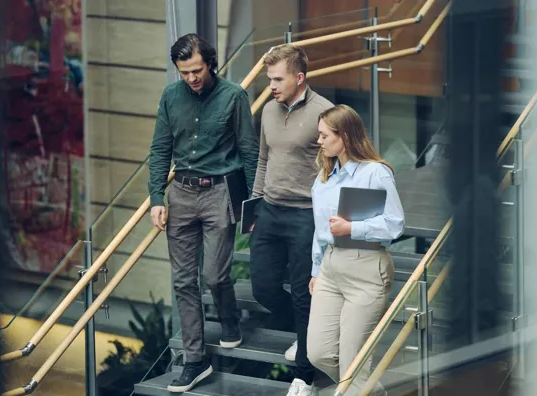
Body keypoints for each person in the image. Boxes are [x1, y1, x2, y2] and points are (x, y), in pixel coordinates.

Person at [148, 33, 259, 393]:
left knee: (213, 274)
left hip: (219, 194)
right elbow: (160, 150)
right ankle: (195, 361)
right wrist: (156, 198)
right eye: (184, 73)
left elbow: (249, 152)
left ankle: (229, 321)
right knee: (183, 281)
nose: (192, 78)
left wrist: (255, 205)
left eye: (196, 70)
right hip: (180, 193)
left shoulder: (234, 97)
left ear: (210, 63)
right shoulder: (169, 97)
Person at [249, 44, 333, 396]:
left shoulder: (326, 112)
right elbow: (263, 160)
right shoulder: (268, 109)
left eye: (278, 79)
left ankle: (305, 374)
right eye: (269, 78)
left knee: (303, 293)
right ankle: (307, 335)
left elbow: (338, 165)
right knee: (263, 288)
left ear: (299, 78)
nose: (271, 85)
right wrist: (254, 205)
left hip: (305, 215)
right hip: (269, 210)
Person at [307, 105, 405, 395]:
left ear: (345, 136)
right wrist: (315, 269)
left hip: (366, 268)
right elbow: (319, 230)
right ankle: (366, 389)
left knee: (355, 366)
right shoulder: (323, 178)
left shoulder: (376, 173)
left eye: (325, 136)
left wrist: (353, 229)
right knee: (319, 353)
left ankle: (360, 388)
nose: (319, 141)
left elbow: (395, 224)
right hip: (330, 268)